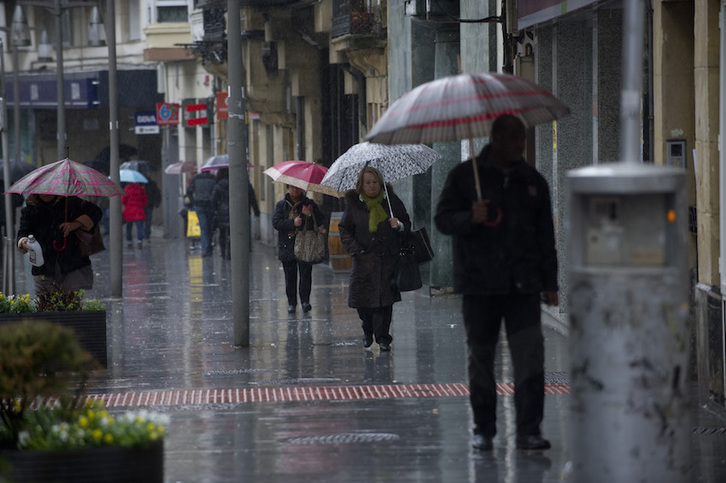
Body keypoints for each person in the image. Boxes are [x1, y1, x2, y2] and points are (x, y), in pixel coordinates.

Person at [434, 114, 559, 452]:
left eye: (522, 138)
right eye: (513, 138)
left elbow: (545, 235)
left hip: (523, 286)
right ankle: (484, 429)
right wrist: (469, 217)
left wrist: (550, 281)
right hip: (479, 286)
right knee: (481, 358)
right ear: (496, 139)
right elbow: (442, 219)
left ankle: (529, 430)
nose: (520, 145)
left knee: (530, 357)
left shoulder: (533, 182)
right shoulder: (464, 177)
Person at [338, 166, 411, 352]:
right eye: (368, 183)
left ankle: (383, 338)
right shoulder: (354, 204)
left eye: (375, 182)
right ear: (361, 185)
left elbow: (407, 223)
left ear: (381, 183)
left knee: (384, 303)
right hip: (363, 261)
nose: (372, 186)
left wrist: (399, 225)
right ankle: (367, 330)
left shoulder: (391, 201)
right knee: (363, 304)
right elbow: (344, 229)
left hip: (387, 260)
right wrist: (356, 250)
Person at [16, 194, 103, 295]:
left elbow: (95, 212)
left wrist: (76, 224)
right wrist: (23, 241)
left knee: (71, 304)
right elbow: (23, 232)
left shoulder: (70, 202)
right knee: (47, 305)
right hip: (43, 266)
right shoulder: (30, 210)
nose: (46, 193)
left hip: (72, 263)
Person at [272, 184, 325, 314]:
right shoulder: (281, 205)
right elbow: (276, 223)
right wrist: (292, 223)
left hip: (304, 245)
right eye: (291, 187)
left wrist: (309, 214)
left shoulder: (309, 203)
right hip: (287, 246)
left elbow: (320, 220)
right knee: (290, 276)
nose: (294, 190)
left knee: (305, 274)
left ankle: (305, 301)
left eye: (297, 187)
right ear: (287, 188)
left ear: (302, 188)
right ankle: (292, 303)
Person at [186, 169, 217, 257]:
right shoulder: (213, 178)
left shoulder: (196, 178)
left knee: (203, 228)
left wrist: (193, 202)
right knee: (210, 227)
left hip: (199, 205)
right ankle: (208, 247)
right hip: (210, 205)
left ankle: (205, 249)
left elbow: (189, 191)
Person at [212, 168, 231, 259]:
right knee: (232, 233)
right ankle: (230, 252)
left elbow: (213, 199)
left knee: (222, 233)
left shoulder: (218, 185)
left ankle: (223, 252)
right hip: (233, 210)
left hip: (221, 211)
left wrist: (215, 209)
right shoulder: (235, 183)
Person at [122, 182, 148, 249]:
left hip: (129, 210)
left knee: (129, 227)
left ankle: (129, 242)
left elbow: (123, 200)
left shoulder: (127, 189)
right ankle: (139, 241)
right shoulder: (141, 190)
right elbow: (145, 201)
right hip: (138, 210)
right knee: (139, 227)